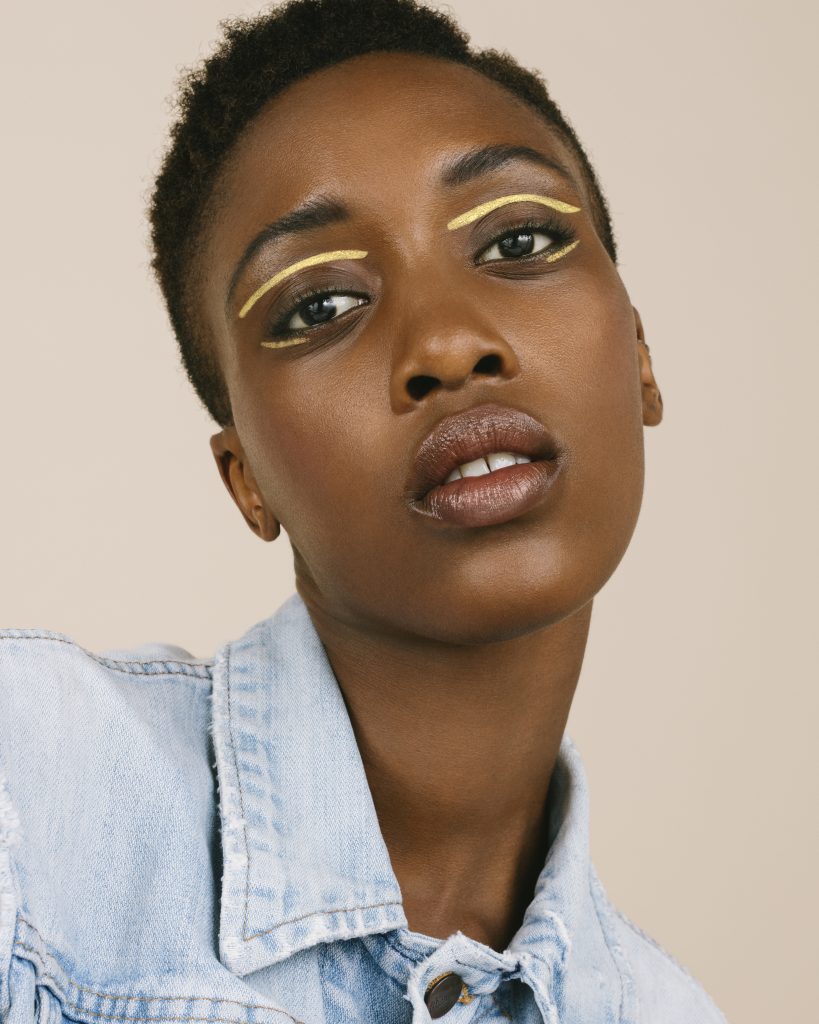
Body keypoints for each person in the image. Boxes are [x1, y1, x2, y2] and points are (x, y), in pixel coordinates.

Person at [0, 0, 727, 1021]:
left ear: (641, 358)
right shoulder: (30, 798)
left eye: (518, 239)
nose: (447, 344)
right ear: (246, 477)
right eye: (321, 307)